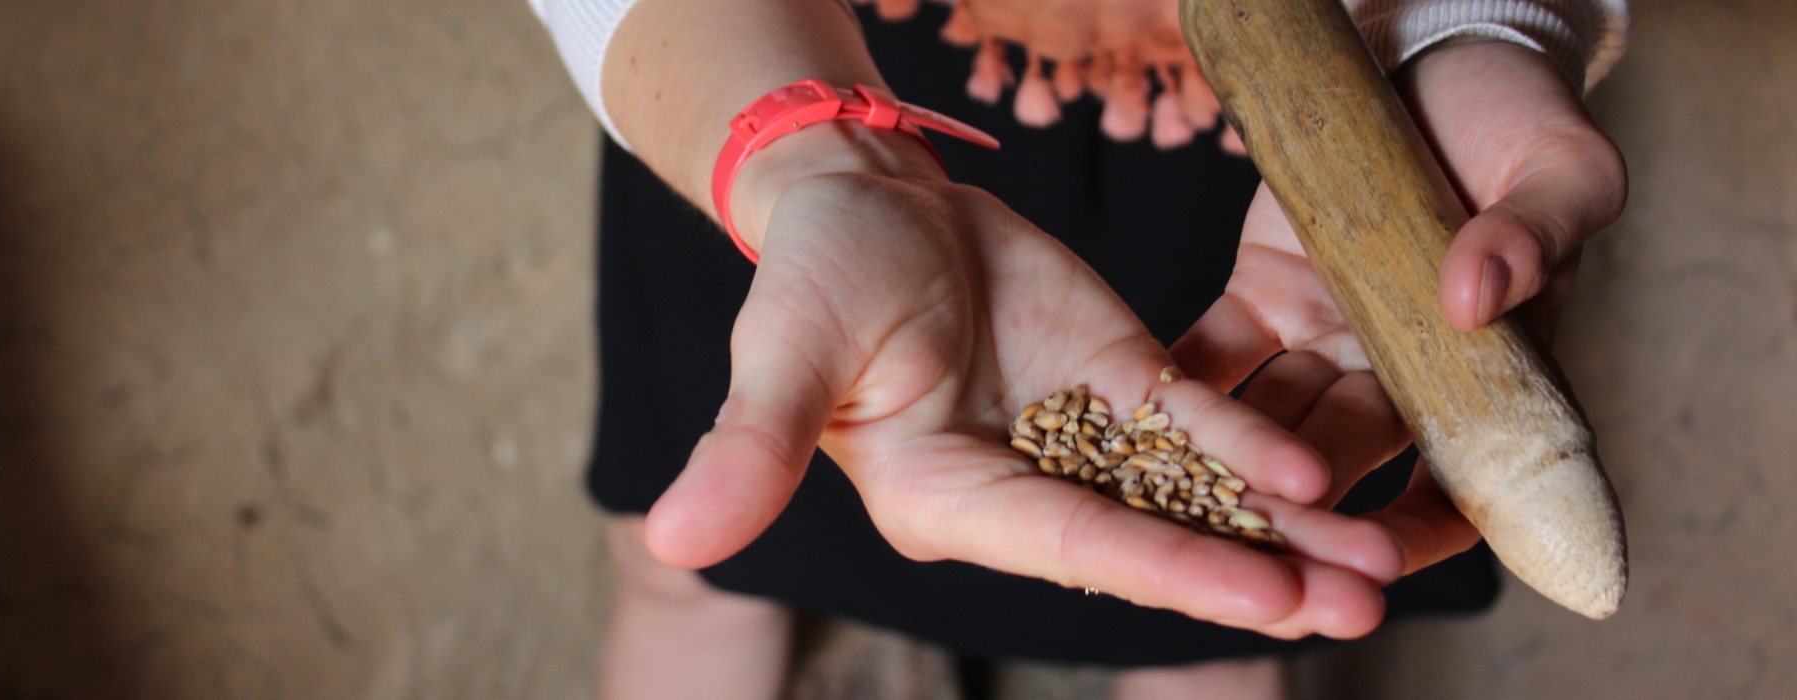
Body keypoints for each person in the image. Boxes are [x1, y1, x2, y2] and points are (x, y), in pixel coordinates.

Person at [525, 0, 1629, 697]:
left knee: (1239, 584)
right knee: (709, 559)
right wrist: (816, 160)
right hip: (781, 70)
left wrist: (1476, 25)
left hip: (1268, 146)